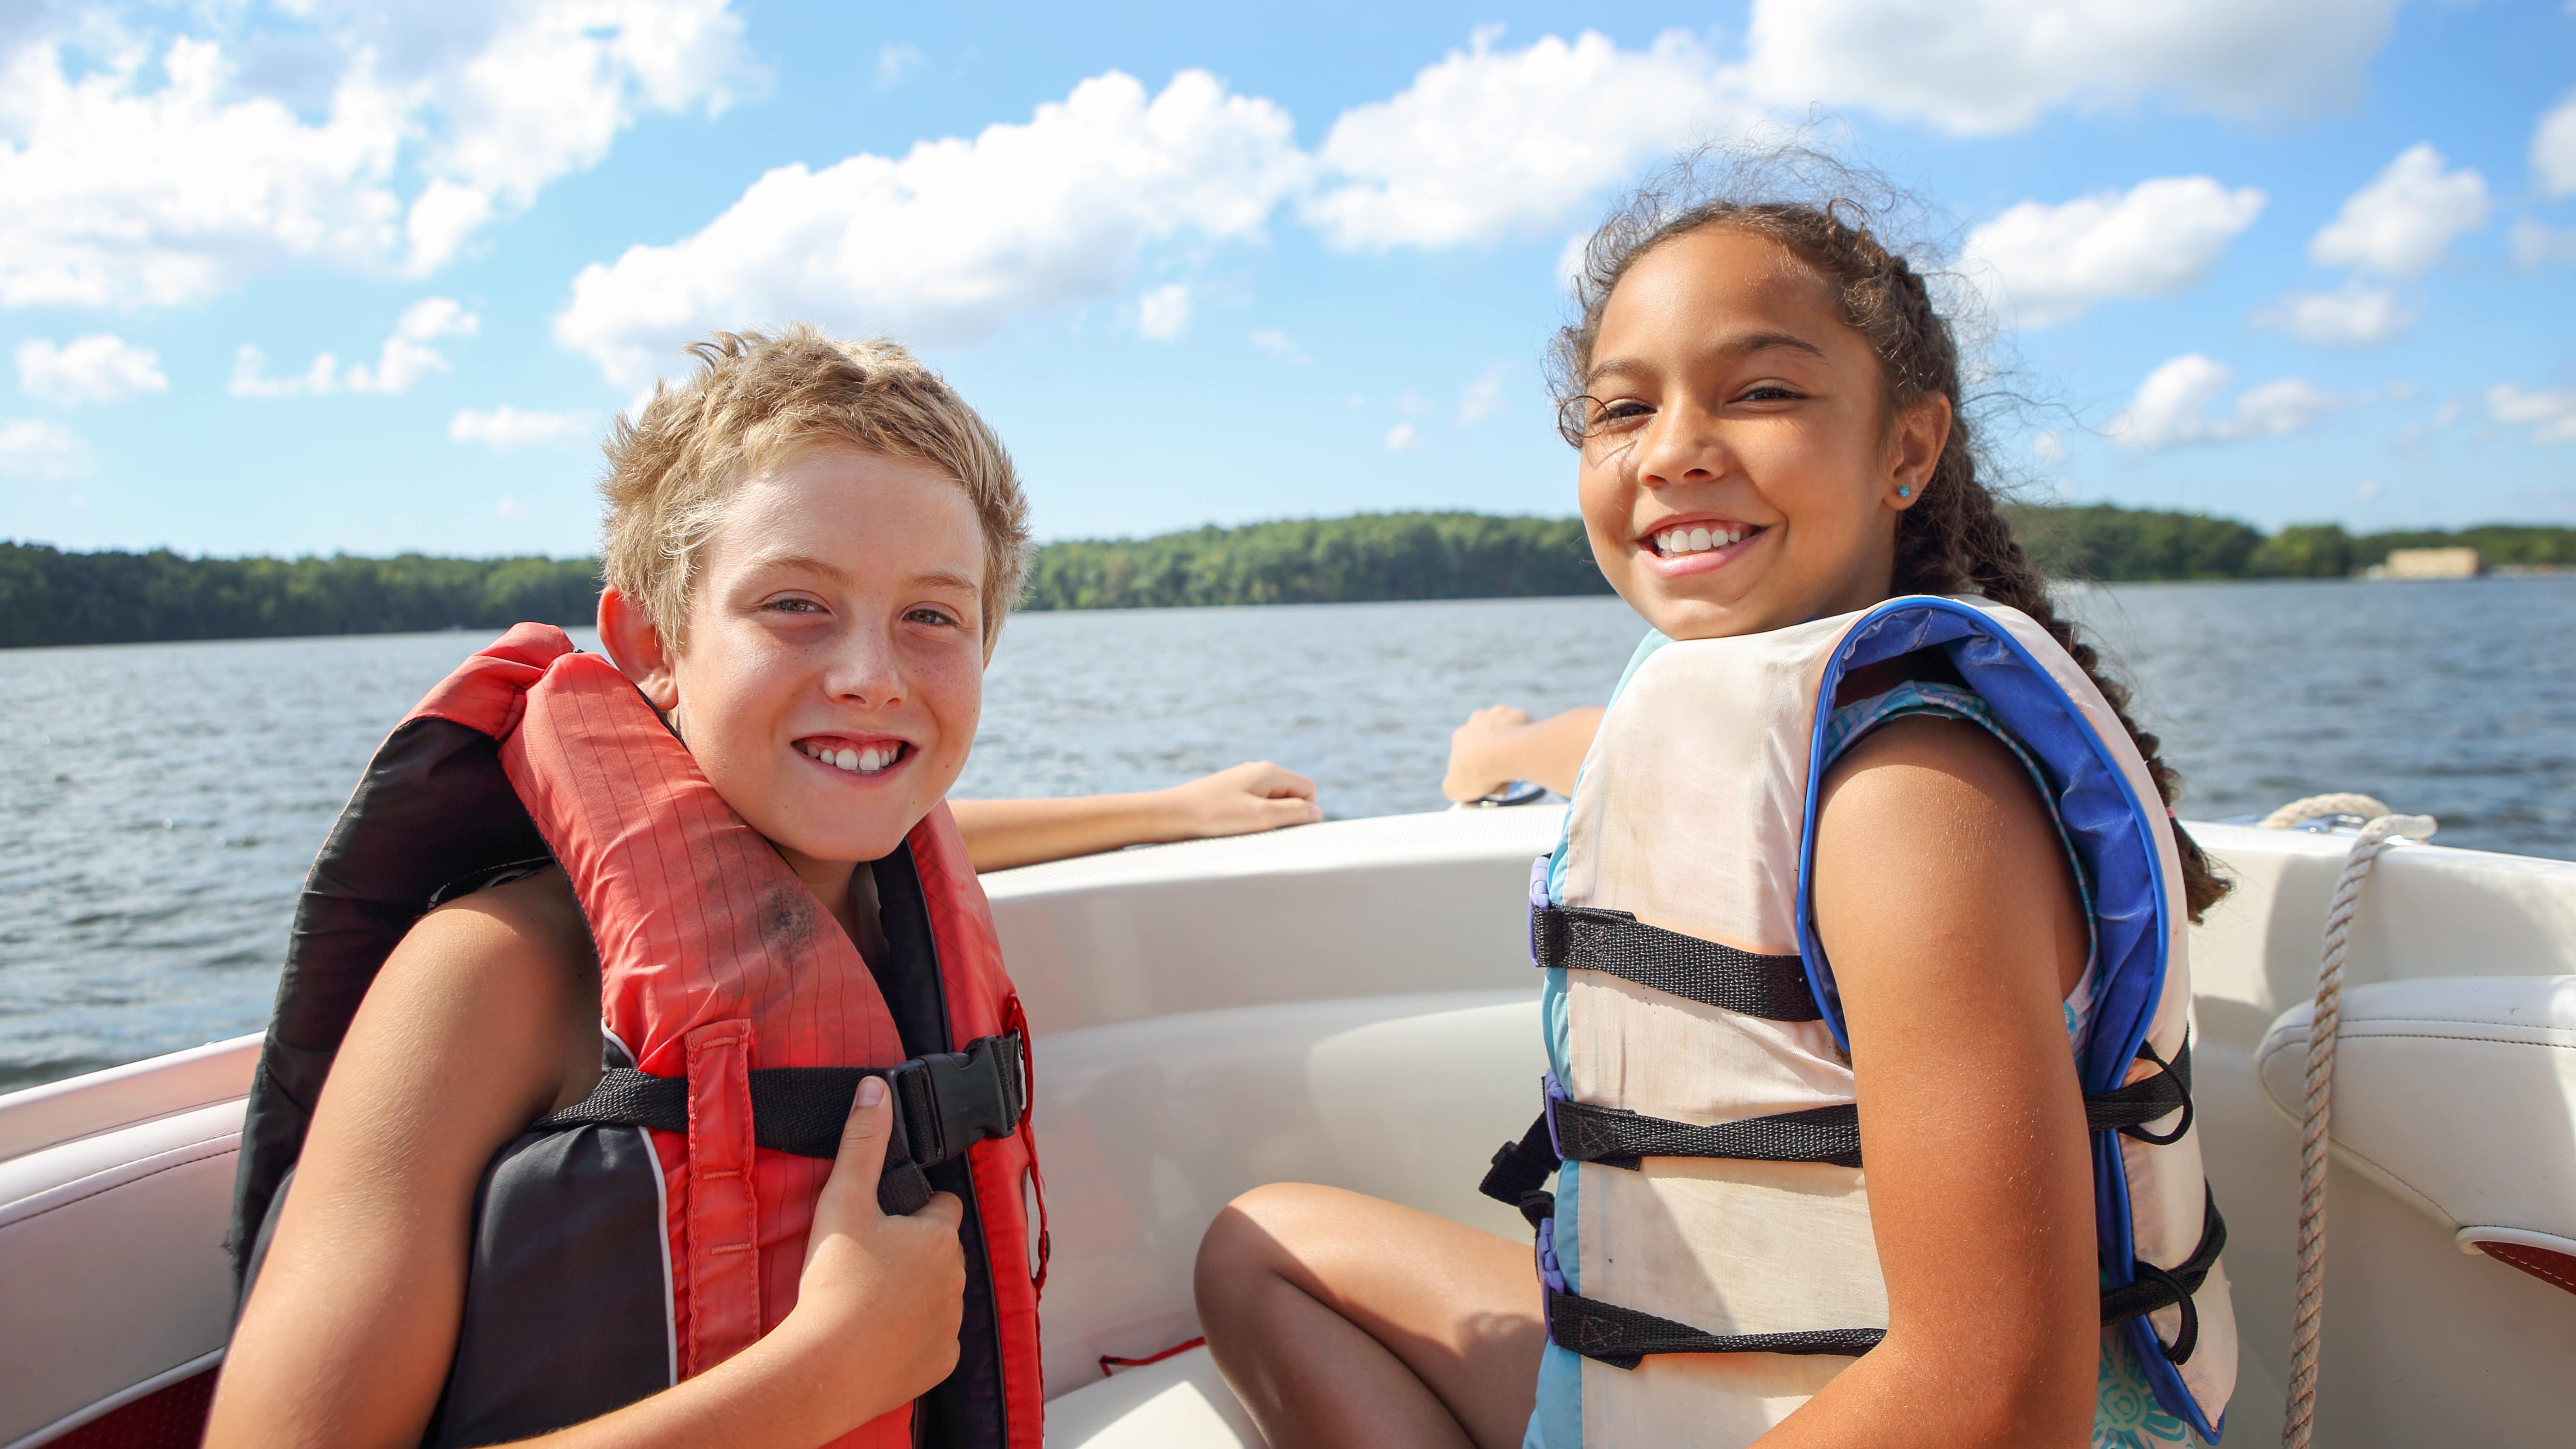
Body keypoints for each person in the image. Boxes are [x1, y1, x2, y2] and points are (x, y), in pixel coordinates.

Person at [1194, 155, 2238, 1449]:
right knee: (1263, 1247)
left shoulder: (1910, 803)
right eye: (1622, 410)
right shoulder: (1748, 710)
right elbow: (1636, 754)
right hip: (1685, 1388)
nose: (1677, 447)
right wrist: (1502, 747)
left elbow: (1998, 1395)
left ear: (1907, 446)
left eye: (1762, 392)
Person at [209, 327, 1273, 1449]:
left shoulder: (880, 880)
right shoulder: (489, 977)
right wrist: (821, 1378)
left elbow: (926, 821)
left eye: (932, 617)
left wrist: (1176, 810)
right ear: (652, 644)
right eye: (794, 605)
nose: (870, 678)